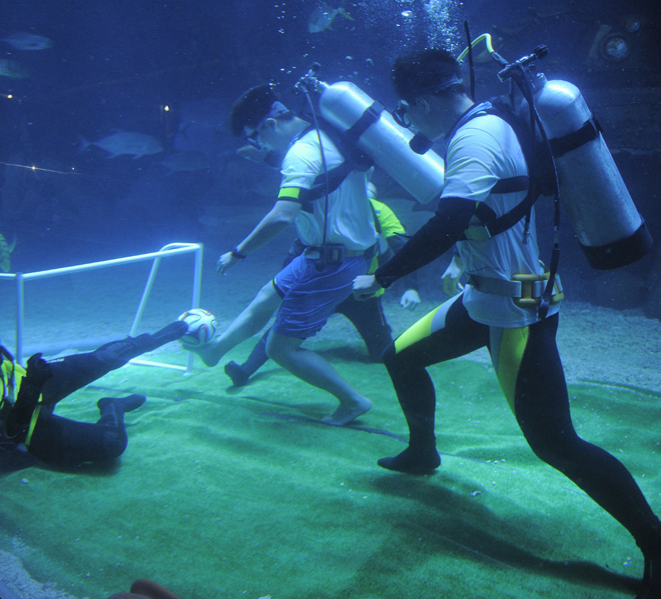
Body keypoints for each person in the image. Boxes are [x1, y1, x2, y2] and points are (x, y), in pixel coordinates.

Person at [352, 48, 661, 598]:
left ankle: (658, 544)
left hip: (516, 312)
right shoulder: (488, 123)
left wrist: (383, 274)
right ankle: (423, 451)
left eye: (406, 110)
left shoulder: (475, 137)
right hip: (485, 301)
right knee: (400, 356)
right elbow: (482, 214)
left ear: (422, 101)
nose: (407, 123)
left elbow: (448, 220)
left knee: (557, 443)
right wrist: (457, 261)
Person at [187, 84, 379, 426]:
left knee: (280, 348)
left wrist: (238, 252)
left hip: (333, 262)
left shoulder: (301, 154)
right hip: (326, 254)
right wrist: (263, 155)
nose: (259, 144)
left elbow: (281, 216)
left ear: (270, 125)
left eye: (256, 137)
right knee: (266, 297)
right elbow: (320, 173)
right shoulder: (324, 136)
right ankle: (214, 352)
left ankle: (352, 401)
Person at [0, 310, 187, 466]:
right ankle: (113, 406)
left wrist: (33, 380)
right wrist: (31, 387)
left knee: (104, 359)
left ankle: (161, 336)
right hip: (25, 426)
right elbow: (6, 436)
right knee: (112, 444)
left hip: (33, 382)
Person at [224, 195, 420, 387]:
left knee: (382, 353)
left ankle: (392, 339)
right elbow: (298, 250)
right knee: (284, 327)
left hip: (363, 294)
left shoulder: (378, 210)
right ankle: (246, 369)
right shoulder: (326, 208)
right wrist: (289, 288)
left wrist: (411, 287)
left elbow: (404, 247)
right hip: (325, 287)